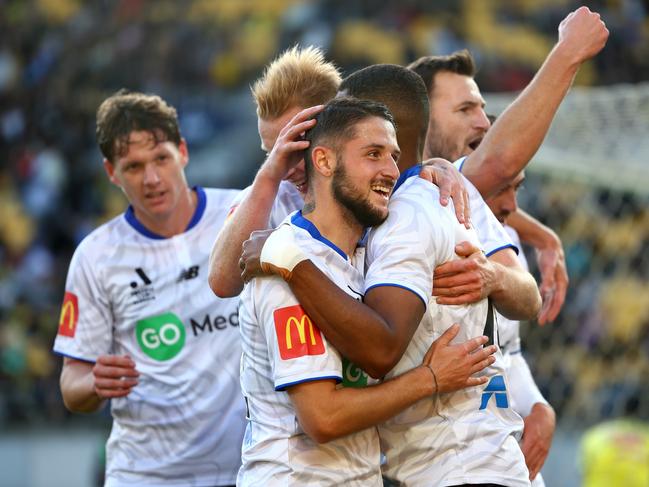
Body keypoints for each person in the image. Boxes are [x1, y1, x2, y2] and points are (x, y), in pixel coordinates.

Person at [255, 64, 541, 486]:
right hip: (474, 455)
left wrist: (290, 264)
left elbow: (382, 349)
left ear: (383, 126)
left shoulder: (403, 218)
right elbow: (223, 277)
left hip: (454, 464)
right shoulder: (432, 194)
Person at [53, 91, 245, 486]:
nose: (153, 179)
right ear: (111, 172)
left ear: (183, 153)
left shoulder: (242, 214)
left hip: (252, 469)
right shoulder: (97, 256)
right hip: (148, 475)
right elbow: (72, 386)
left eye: (161, 159)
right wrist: (94, 383)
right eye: (134, 167)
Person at [208, 45, 470, 300]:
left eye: (298, 144)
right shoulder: (267, 199)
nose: (287, 167)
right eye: (274, 152)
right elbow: (223, 282)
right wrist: (267, 177)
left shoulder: (415, 186)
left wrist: (495, 277)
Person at [408, 5, 608, 324]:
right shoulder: (422, 192)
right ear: (421, 119)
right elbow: (498, 163)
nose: (483, 122)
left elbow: (529, 300)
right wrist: (568, 52)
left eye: (481, 108)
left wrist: (539, 235)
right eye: (465, 110)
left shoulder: (479, 203)